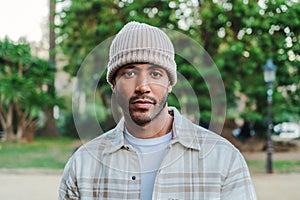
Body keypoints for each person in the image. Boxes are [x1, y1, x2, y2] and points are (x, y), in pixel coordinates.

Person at [58, 21, 257, 200]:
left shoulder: (224, 159)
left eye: (155, 73)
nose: (143, 86)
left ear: (169, 83)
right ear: (113, 85)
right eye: (129, 73)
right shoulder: (83, 165)